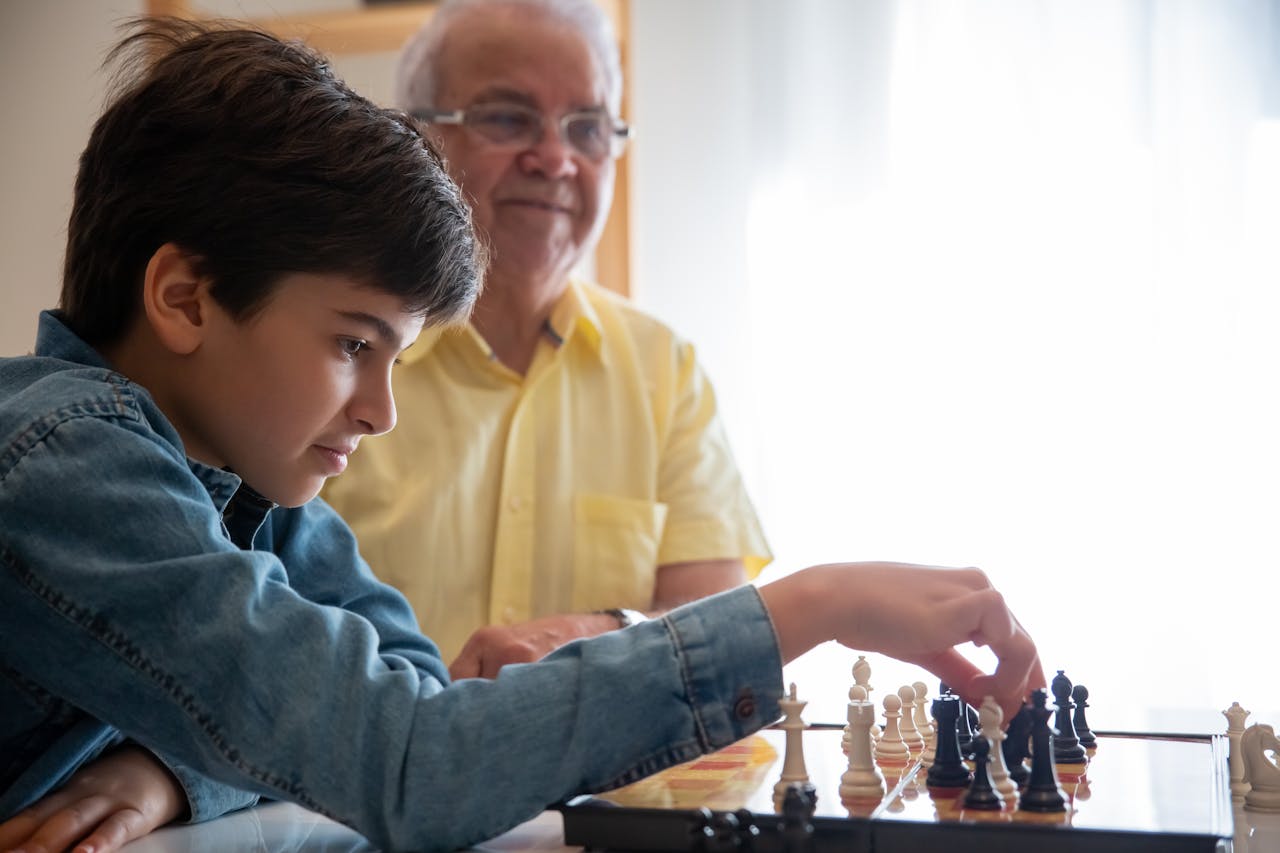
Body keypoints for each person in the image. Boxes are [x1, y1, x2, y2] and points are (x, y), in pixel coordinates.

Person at [0, 18, 1044, 853]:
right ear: (185, 297)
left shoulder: (240, 478)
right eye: (353, 343)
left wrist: (178, 767)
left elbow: (404, 686)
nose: (379, 409)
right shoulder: (72, 464)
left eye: (395, 357)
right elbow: (413, 758)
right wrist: (815, 603)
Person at [320, 0, 772, 679]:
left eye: (588, 127)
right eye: (508, 118)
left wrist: (604, 630)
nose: (557, 158)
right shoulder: (328, 350)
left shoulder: (664, 368)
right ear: (414, 138)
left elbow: (723, 625)